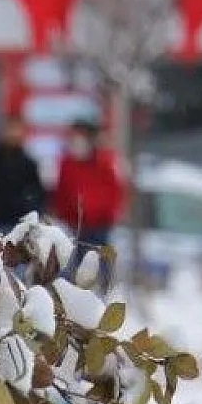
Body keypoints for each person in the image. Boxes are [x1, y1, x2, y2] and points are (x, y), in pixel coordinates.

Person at [52, 109, 126, 290]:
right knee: (70, 270)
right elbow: (61, 193)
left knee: (100, 272)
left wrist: (104, 214)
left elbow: (116, 192)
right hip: (74, 226)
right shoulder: (67, 162)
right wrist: (67, 216)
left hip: (100, 226)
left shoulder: (105, 161)